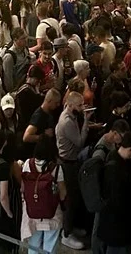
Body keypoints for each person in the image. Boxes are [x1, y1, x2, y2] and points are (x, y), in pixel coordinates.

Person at [56, 91, 94, 249]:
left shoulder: (70, 116)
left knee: (75, 197)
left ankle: (71, 227)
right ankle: (66, 233)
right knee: (70, 199)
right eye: (79, 105)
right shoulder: (67, 122)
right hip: (68, 164)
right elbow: (79, 142)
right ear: (70, 105)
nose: (81, 107)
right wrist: (86, 121)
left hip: (72, 162)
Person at [17, 136, 67, 254]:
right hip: (52, 213)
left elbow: (23, 188)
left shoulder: (28, 164)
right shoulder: (56, 168)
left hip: (32, 212)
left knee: (33, 246)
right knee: (50, 246)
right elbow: (63, 193)